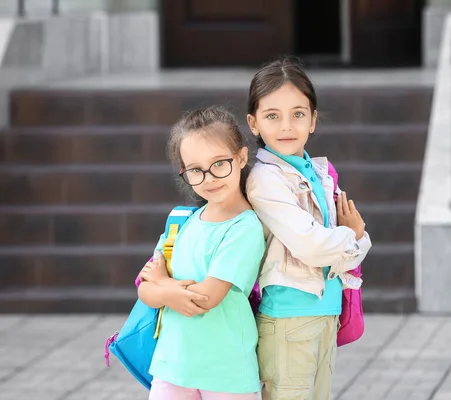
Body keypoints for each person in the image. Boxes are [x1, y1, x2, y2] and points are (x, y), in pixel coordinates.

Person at [246, 56, 372, 400]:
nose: (287, 126)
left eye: (298, 114)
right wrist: (354, 239)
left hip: (324, 314)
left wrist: (351, 240)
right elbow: (315, 246)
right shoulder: (265, 179)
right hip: (289, 319)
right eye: (272, 116)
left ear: (313, 120)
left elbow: (348, 239)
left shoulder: (318, 172)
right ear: (253, 123)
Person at [138, 106, 265, 400]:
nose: (209, 178)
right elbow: (145, 289)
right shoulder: (181, 221)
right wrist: (160, 288)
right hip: (172, 367)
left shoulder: (244, 228)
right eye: (196, 170)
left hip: (226, 372)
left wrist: (166, 287)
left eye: (219, 163)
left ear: (242, 157)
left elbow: (206, 298)